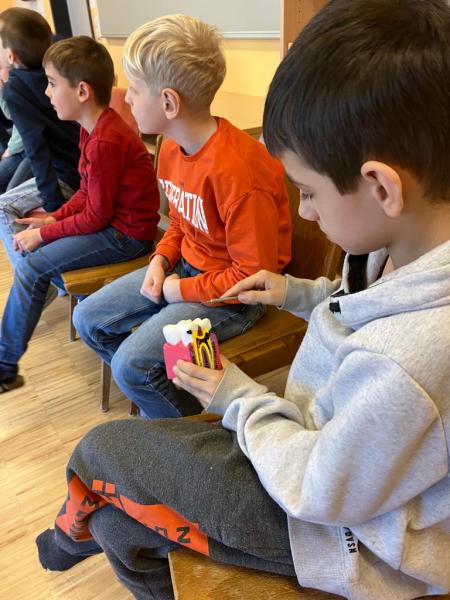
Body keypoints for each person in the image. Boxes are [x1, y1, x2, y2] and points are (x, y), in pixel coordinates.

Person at [36, 0, 450, 598]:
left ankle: (67, 532)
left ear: (382, 187)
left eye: (307, 193)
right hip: (305, 442)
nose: (303, 212)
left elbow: (319, 488)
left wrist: (236, 396)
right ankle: (88, 520)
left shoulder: (407, 364)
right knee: (114, 521)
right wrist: (297, 291)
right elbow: (356, 302)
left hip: (334, 527)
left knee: (103, 448)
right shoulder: (394, 249)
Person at [72, 14, 292, 419]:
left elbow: (252, 277)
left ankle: (187, 428)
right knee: (87, 318)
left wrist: (179, 293)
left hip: (235, 299)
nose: (126, 98)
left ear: (169, 103)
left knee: (130, 366)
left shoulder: (241, 173)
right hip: (185, 271)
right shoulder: (171, 146)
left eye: (135, 89)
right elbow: (179, 221)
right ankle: (165, 395)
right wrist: (161, 260)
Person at [0, 35, 160, 393]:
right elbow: (87, 193)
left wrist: (43, 233)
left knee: (32, 267)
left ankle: (4, 365)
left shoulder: (105, 139)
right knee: (36, 262)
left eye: (52, 84)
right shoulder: (93, 130)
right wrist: (52, 219)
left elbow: (96, 218)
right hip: (112, 227)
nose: (47, 93)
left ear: (82, 91)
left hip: (126, 236)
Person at [0, 7, 80, 268]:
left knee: (3, 207)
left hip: (65, 176)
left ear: (11, 55)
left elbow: (37, 149)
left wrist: (53, 205)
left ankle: (32, 274)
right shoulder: (56, 73)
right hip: (80, 168)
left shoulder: (16, 88)